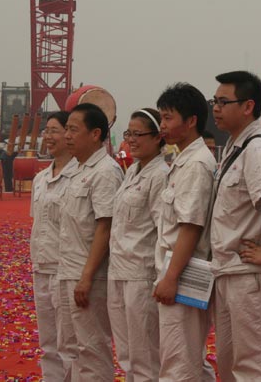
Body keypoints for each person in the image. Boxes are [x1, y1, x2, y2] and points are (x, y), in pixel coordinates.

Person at [210, 71, 261, 380]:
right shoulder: (235, 145)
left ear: (248, 106)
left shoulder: (256, 147)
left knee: (256, 367)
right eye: (214, 101)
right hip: (231, 270)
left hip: (251, 274)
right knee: (233, 365)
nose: (216, 108)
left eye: (223, 101)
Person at [154, 83, 217, 381]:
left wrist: (170, 278)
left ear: (191, 121)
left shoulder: (197, 164)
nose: (162, 125)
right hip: (175, 273)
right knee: (183, 358)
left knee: (180, 364)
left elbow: (190, 227)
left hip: (184, 277)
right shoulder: (182, 159)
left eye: (168, 118)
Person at [58, 103, 123, 381]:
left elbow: (105, 227)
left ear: (96, 134)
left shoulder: (105, 171)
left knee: (92, 348)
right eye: (66, 130)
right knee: (71, 348)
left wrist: (86, 277)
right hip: (68, 270)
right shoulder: (77, 169)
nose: (67, 136)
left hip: (89, 275)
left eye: (74, 130)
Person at [108, 108, 167, 380]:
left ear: (157, 138)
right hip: (118, 271)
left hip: (142, 277)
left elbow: (163, 230)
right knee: (127, 355)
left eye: (138, 134)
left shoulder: (160, 175)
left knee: (146, 356)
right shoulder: (132, 171)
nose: (131, 139)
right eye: (128, 133)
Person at [30, 111, 77, 380]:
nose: (48, 136)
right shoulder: (40, 179)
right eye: (46, 131)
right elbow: (37, 223)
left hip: (67, 268)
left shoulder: (80, 176)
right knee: (48, 343)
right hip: (42, 265)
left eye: (55, 130)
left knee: (70, 344)